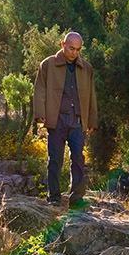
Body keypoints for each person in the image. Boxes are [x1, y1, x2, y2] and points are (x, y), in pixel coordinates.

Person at [33, 31, 98, 206]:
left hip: (77, 121)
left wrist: (92, 120)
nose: (74, 52)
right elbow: (39, 90)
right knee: (55, 159)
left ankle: (76, 198)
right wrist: (40, 114)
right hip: (57, 119)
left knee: (78, 159)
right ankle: (53, 197)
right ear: (62, 44)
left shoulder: (87, 68)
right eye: (71, 48)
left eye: (78, 49)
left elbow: (92, 95)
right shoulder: (47, 65)